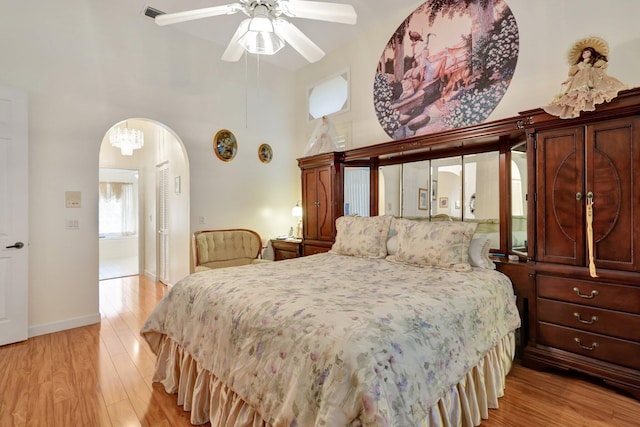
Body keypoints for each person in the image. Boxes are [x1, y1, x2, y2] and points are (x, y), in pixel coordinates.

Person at [544, 36, 627, 119]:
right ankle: (582, 99)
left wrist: (595, 65)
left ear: (592, 53)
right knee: (579, 91)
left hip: (591, 77)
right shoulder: (580, 65)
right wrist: (567, 81)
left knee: (595, 88)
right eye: (584, 53)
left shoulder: (593, 62)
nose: (585, 54)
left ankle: (589, 95)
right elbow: (574, 75)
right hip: (579, 79)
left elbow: (601, 64)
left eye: (587, 52)